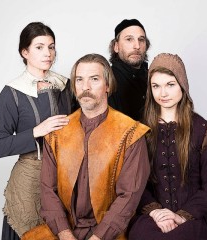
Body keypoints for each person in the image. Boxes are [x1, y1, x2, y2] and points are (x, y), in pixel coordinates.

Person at [40, 53, 150, 240]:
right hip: (64, 231)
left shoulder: (131, 133)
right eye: (80, 80)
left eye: (94, 79)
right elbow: (47, 190)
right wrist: (65, 234)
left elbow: (128, 197)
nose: (86, 87)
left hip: (109, 233)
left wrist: (98, 237)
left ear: (108, 85)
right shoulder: (56, 133)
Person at [0, 22, 73, 240]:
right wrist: (36, 131)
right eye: (39, 47)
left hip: (65, 177)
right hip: (30, 180)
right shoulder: (11, 93)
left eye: (51, 47)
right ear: (24, 52)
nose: (48, 53)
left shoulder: (66, 86)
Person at [128, 53, 207, 240]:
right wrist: (156, 212)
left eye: (170, 85)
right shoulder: (140, 130)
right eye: (156, 86)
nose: (162, 93)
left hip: (194, 216)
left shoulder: (202, 129)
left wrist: (181, 216)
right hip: (153, 217)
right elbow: (134, 182)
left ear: (182, 85)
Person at [108, 18, 150, 121]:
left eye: (141, 40)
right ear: (116, 46)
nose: (137, 46)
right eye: (129, 39)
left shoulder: (154, 78)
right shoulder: (107, 81)